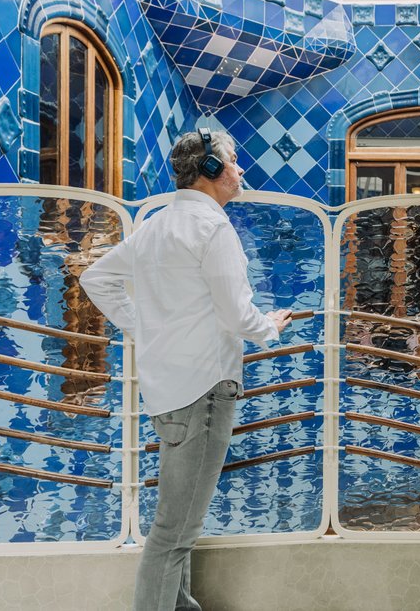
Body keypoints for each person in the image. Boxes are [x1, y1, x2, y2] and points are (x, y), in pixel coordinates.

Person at [80, 128, 292, 611]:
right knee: (174, 534)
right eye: (234, 161)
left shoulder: (155, 224)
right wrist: (270, 326)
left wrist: (145, 328)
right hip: (204, 390)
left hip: (167, 391)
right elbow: (237, 316)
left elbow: (98, 278)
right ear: (212, 170)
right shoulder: (212, 228)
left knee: (177, 526)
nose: (241, 170)